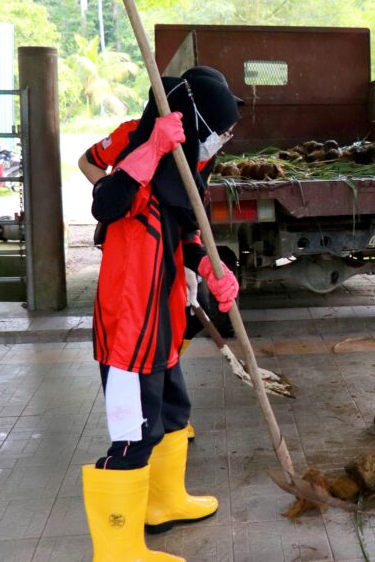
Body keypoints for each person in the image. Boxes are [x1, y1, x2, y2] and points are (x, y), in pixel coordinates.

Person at [78, 68, 241, 562]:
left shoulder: (184, 168)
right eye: (218, 132)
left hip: (162, 320)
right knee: (133, 436)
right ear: (190, 125)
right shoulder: (140, 156)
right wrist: (149, 149)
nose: (221, 143)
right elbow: (106, 203)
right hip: (129, 328)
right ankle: (117, 551)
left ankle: (163, 503)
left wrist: (213, 271)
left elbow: (187, 233)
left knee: (173, 413)